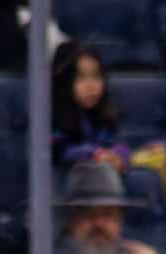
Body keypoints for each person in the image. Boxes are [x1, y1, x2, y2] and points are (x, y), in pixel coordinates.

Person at [50, 41, 127, 171]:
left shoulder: (103, 115)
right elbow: (59, 151)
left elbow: (118, 144)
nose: (90, 86)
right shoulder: (52, 118)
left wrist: (118, 156)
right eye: (81, 77)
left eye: (96, 76)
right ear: (64, 82)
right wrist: (93, 154)